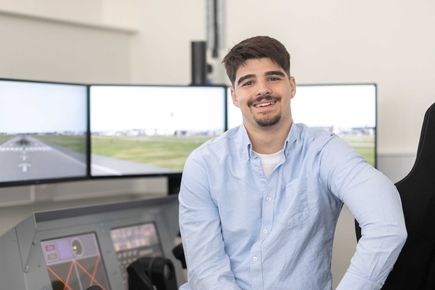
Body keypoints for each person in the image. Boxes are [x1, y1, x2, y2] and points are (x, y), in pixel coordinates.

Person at [178, 36, 407, 290]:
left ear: (292, 86)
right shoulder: (203, 164)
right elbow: (206, 270)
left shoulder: (325, 151)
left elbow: (387, 226)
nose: (262, 89)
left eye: (273, 78)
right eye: (248, 82)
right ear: (235, 96)